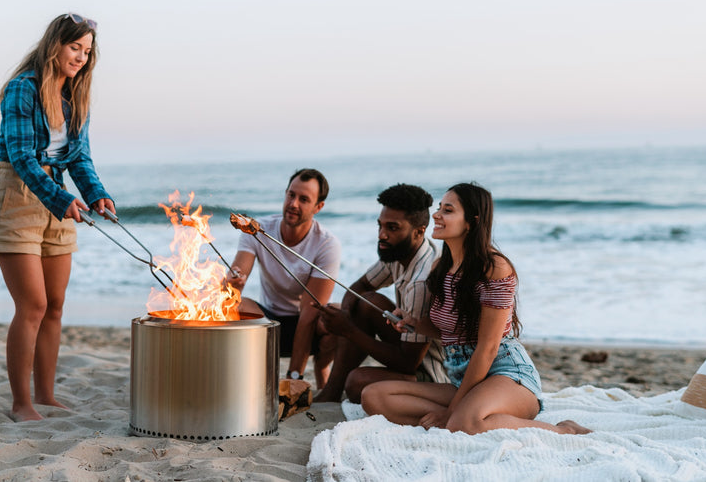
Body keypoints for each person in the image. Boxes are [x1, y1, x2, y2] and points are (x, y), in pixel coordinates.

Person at [359, 183, 590, 435]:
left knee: (462, 423)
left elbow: (488, 348)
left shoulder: (494, 268)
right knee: (374, 396)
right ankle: (469, 419)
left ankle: (564, 430)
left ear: (471, 222)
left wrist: (449, 412)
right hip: (462, 379)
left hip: (507, 375)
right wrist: (413, 322)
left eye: (447, 210)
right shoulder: (440, 267)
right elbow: (450, 331)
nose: (436, 215)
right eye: (439, 208)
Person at [0, 13, 116, 422]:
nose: (80, 57)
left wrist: (96, 194)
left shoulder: (76, 95)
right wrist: (60, 199)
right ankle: (20, 404)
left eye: (87, 51)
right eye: (74, 47)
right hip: (20, 196)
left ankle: (45, 394)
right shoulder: (21, 89)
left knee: (56, 305)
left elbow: (80, 158)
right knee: (33, 305)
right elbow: (22, 158)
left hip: (56, 195)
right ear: (55, 44)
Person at [314, 184, 448, 403]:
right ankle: (331, 391)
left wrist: (348, 330)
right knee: (365, 302)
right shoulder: (398, 253)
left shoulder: (422, 281)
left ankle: (335, 390)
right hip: (410, 348)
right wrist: (346, 315)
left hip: (431, 374)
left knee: (356, 383)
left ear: (419, 231)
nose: (382, 235)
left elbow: (408, 362)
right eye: (380, 226)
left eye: (392, 228)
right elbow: (359, 287)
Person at [227, 169, 342, 387]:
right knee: (234, 305)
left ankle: (320, 369)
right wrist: (233, 282)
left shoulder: (327, 244)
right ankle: (244, 379)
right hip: (269, 323)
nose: (294, 204)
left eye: (304, 199)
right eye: (291, 195)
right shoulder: (256, 230)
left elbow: (309, 312)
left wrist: (294, 376)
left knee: (336, 315)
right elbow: (235, 276)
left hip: (307, 323)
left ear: (319, 207)